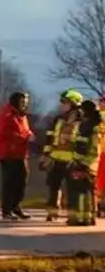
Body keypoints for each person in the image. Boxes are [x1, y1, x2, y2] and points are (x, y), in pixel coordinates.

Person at [40, 89, 84, 221]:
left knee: (73, 189)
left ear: (74, 103)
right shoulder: (58, 119)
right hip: (55, 159)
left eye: (65, 102)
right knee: (53, 187)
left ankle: (72, 215)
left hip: (72, 161)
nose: (62, 105)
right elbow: (50, 137)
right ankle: (52, 212)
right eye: (62, 102)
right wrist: (46, 155)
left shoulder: (82, 121)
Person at [0, 90, 35, 220]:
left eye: (26, 102)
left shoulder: (22, 116)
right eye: (23, 102)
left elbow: (26, 130)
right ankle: (7, 210)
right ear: (15, 102)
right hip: (9, 153)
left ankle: (16, 206)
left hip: (21, 154)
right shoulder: (7, 114)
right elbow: (5, 133)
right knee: (10, 182)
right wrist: (25, 138)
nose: (25, 105)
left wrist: (29, 134)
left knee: (22, 180)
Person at [66, 100, 105, 227]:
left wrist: (81, 163)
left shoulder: (90, 126)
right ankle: (87, 217)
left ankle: (81, 218)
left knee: (81, 190)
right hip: (89, 162)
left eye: (82, 110)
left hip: (85, 163)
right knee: (87, 190)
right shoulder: (93, 124)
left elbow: (87, 147)